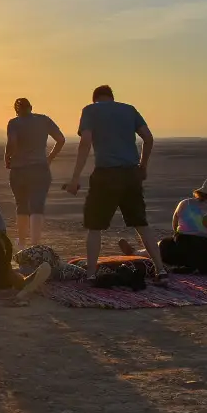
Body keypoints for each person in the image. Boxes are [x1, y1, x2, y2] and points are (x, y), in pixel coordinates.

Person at [64, 85, 167, 283]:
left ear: (95, 99)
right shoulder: (129, 109)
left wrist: (75, 178)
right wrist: (142, 166)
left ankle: (91, 274)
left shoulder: (91, 110)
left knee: (95, 227)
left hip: (106, 175)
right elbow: (148, 138)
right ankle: (160, 269)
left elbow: (85, 141)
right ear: (112, 98)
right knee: (141, 223)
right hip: (130, 174)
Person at [117, 177, 207, 273]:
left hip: (188, 250)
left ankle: (136, 253)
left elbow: (175, 227)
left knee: (165, 244)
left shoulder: (185, 203)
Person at [5, 98, 66, 250]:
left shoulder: (14, 123)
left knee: (22, 204)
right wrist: (50, 158)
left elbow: (12, 142)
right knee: (37, 204)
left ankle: (22, 241)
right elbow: (61, 139)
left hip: (19, 169)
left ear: (16, 110)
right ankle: (35, 242)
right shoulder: (44, 120)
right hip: (40, 167)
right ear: (31, 107)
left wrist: (7, 157)